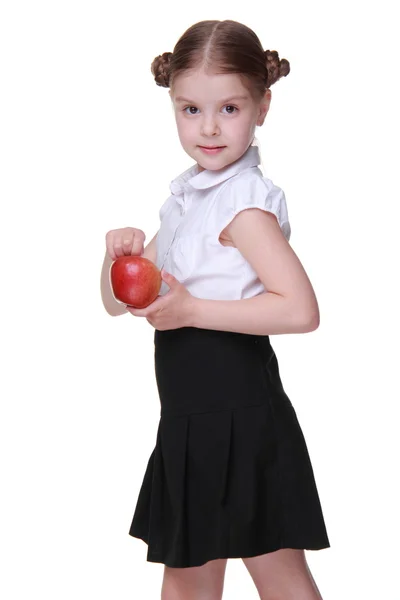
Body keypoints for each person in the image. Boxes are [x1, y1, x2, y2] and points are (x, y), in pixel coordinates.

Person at [100, 19, 330, 600]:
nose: (207, 128)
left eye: (229, 108)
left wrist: (193, 308)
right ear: (172, 106)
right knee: (187, 576)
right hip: (189, 419)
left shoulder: (244, 206)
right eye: (190, 110)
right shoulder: (187, 199)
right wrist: (115, 259)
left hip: (242, 413)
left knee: (278, 575)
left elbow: (301, 310)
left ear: (262, 106)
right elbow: (125, 302)